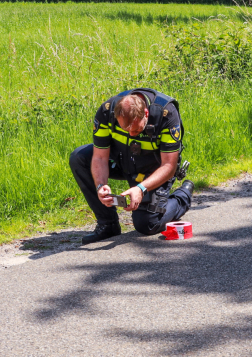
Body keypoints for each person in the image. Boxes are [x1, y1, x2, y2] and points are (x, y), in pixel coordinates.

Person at [69, 88, 194, 244]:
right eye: (125, 129)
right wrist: (101, 185)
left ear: (146, 114)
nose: (131, 134)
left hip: (154, 169)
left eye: (136, 129)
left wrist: (141, 188)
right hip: (123, 161)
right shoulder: (107, 111)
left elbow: (169, 166)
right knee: (79, 157)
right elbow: (100, 157)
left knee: (147, 224)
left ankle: (183, 196)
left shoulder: (166, 114)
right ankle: (108, 225)